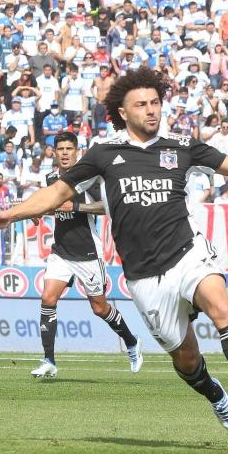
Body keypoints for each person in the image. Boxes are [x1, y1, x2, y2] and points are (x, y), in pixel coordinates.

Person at [0, 68, 228, 434]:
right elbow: (56, 194)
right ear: (123, 112)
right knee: (186, 359)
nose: (151, 110)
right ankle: (215, 394)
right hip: (143, 276)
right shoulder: (103, 155)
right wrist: (10, 214)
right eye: (141, 105)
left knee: (221, 306)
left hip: (187, 252)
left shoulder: (181, 147)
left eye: (155, 103)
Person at [30, 133, 143, 379]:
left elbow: (108, 206)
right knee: (48, 299)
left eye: (69, 148)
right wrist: (37, 211)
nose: (64, 153)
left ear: (77, 151)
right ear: (54, 152)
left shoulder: (89, 179)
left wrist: (77, 207)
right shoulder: (51, 178)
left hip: (88, 254)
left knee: (100, 308)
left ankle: (132, 342)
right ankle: (49, 360)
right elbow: (49, 203)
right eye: (60, 149)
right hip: (61, 252)